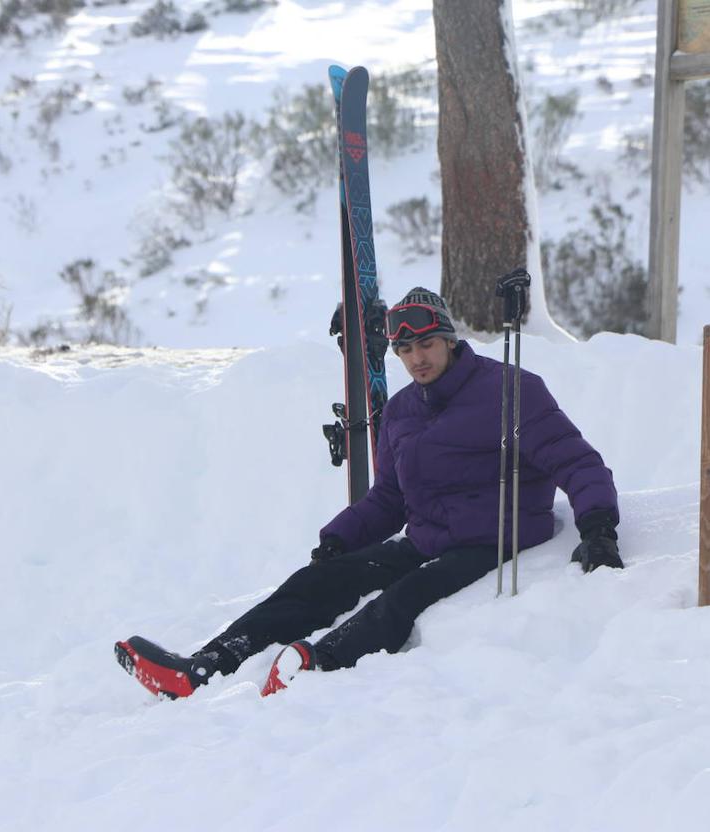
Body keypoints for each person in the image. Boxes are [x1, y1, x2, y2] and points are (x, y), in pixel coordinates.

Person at [115, 287, 622, 700]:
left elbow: (576, 461)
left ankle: (320, 662)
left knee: (409, 595)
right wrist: (339, 540)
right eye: (404, 350)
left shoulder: (513, 390)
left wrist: (598, 527)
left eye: (425, 345)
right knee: (317, 581)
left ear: (448, 341)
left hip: (494, 537)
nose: (415, 359)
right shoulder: (401, 412)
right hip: (426, 539)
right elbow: (389, 499)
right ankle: (204, 667)